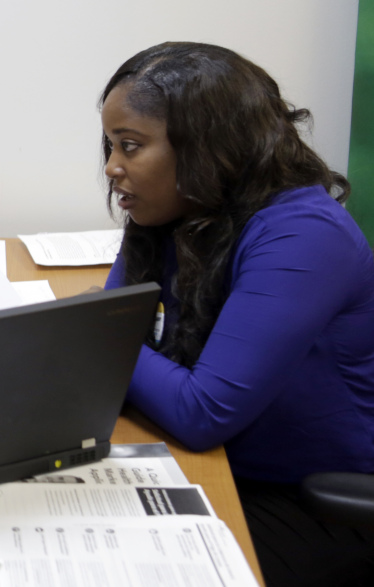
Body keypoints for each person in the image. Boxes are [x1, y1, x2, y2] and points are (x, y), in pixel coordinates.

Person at [100, 42, 374, 586]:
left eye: (130, 146)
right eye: (110, 145)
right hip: (225, 460)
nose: (112, 167)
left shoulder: (304, 235)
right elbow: (112, 323)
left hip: (315, 497)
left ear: (207, 147)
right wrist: (98, 330)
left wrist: (95, 331)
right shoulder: (176, 210)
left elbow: (202, 411)